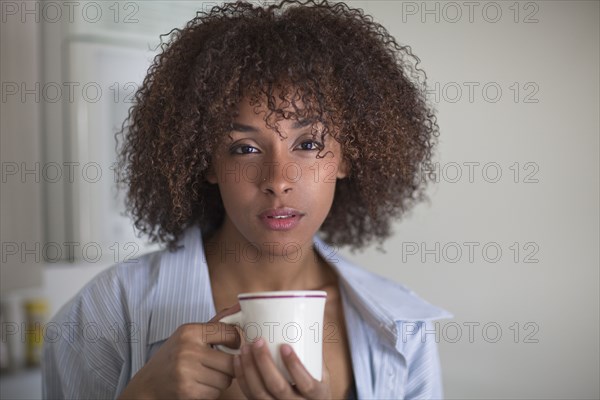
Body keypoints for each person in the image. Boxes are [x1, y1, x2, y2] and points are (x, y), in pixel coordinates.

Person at [42, 0, 451, 398]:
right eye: (245, 148)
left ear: (349, 156)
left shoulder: (402, 327)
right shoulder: (102, 316)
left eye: (308, 144)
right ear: (206, 162)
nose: (278, 180)